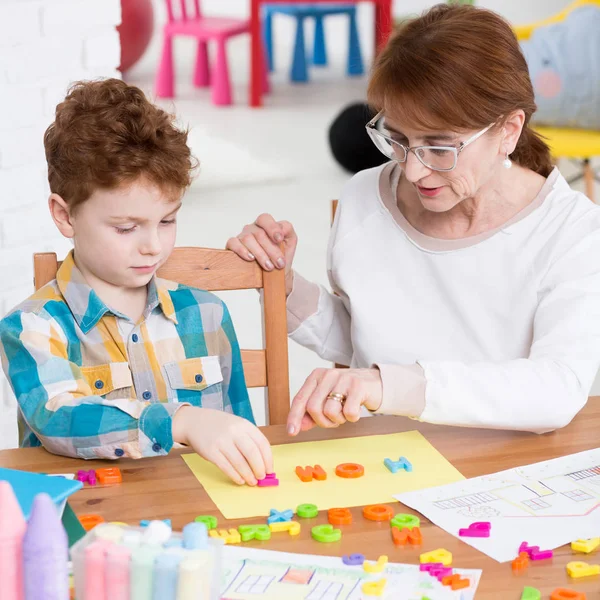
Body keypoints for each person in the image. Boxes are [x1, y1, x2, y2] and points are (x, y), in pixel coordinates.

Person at [227, 4, 600, 437]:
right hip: (394, 460)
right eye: (399, 139)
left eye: (441, 148)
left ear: (510, 130)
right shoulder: (365, 197)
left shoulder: (573, 231)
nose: (414, 170)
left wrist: (389, 386)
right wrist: (284, 283)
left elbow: (555, 389)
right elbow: (366, 338)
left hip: (510, 470)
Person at [0, 79, 272, 486]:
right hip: (95, 530)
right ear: (65, 215)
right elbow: (59, 417)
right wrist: (179, 420)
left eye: (167, 221)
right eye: (126, 228)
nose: (153, 246)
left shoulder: (207, 313)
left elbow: (237, 437)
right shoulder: (33, 327)